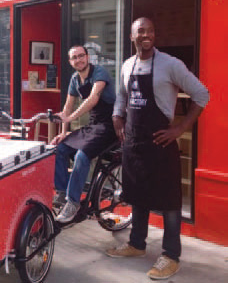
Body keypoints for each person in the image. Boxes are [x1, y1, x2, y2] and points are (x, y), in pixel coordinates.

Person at [106, 17, 209, 280]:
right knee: (138, 195)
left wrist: (180, 128)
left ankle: (171, 256)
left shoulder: (170, 64)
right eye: (141, 31)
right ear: (132, 36)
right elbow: (122, 96)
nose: (146, 34)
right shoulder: (127, 65)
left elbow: (201, 94)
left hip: (161, 144)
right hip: (134, 143)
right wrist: (117, 117)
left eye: (150, 30)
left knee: (170, 201)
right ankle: (136, 245)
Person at [51, 45, 118, 223]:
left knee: (82, 155)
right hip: (93, 125)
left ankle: (73, 202)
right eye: (74, 58)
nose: (78, 60)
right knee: (59, 148)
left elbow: (93, 98)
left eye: (81, 56)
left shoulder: (99, 73)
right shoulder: (75, 79)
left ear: (87, 57)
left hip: (110, 126)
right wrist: (64, 132)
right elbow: (68, 106)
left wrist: (71, 117)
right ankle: (62, 192)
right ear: (70, 61)